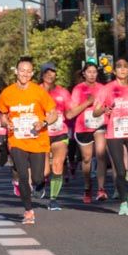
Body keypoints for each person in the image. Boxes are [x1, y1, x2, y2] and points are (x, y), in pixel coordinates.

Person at [0, 56, 60, 225]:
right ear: (16, 71)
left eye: (28, 71)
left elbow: (53, 113)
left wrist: (44, 122)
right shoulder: (7, 93)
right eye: (21, 70)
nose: (24, 73)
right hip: (17, 140)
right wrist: (6, 122)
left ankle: (39, 185)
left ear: (32, 74)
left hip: (38, 140)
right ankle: (28, 211)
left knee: (38, 177)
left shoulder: (39, 92)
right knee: (23, 176)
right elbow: (2, 114)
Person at [92, 57, 128, 216]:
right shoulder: (106, 88)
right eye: (119, 67)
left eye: (125, 67)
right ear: (114, 70)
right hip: (114, 131)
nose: (122, 70)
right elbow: (95, 111)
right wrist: (105, 110)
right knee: (120, 170)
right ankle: (123, 202)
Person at [68, 60, 110, 204]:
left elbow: (108, 105)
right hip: (83, 126)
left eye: (94, 72)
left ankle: (101, 189)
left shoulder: (103, 88)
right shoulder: (78, 89)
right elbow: (71, 112)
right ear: (84, 74)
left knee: (100, 154)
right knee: (86, 159)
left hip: (100, 125)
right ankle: (87, 187)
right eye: (89, 72)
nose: (92, 75)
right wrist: (87, 103)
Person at [39, 63, 72, 211]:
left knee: (58, 165)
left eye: (53, 73)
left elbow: (69, 112)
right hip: (41, 134)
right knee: (45, 171)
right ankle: (40, 183)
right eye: (47, 72)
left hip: (60, 133)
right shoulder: (35, 91)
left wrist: (87, 103)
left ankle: (53, 199)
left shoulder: (63, 92)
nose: (50, 75)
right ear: (42, 75)